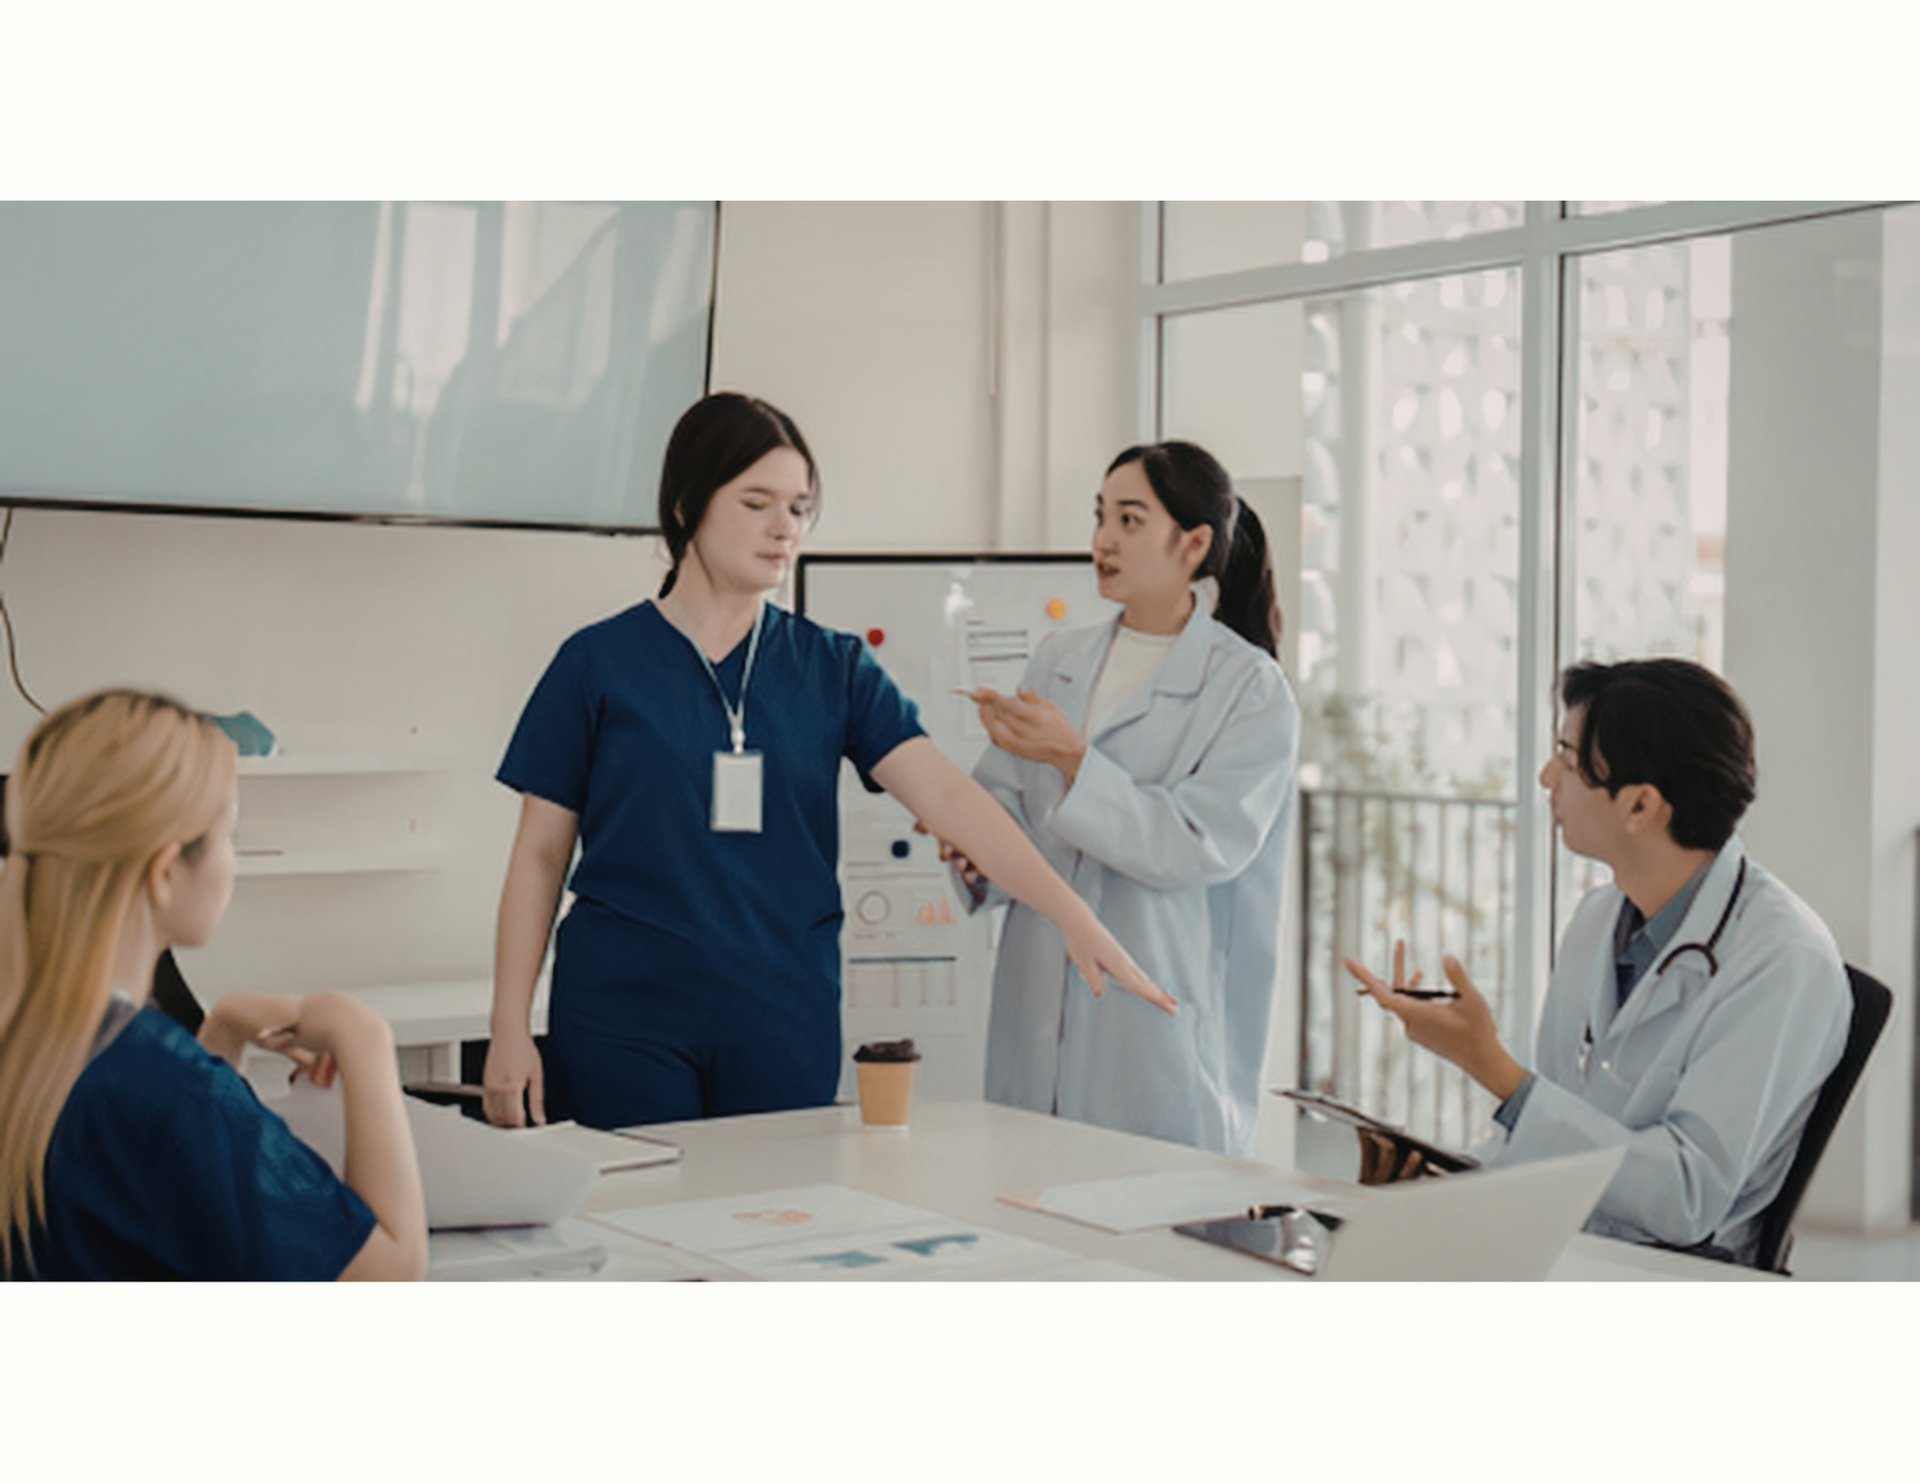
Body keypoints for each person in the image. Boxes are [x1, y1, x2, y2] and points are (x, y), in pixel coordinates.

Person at [484, 392, 1173, 1132]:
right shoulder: (597, 664)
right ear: (687, 504)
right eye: (757, 502)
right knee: (641, 1236)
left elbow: (947, 796)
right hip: (624, 1021)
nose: (786, 528)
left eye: (800, 507)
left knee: (768, 1238)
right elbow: (539, 854)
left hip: (780, 1019)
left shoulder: (833, 666)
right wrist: (509, 1025)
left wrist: (1072, 913)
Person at [1345, 658, 1850, 1264]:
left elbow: (1685, 1197)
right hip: (1568, 1243)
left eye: (1567, 757)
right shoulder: (1599, 919)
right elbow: (1559, 1129)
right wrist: (1438, 1180)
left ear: (1639, 806)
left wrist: (1498, 1073)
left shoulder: (1782, 960)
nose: (1545, 777)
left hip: (1674, 1277)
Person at [940, 441, 1298, 1155]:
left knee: (1141, 1239)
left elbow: (1194, 843)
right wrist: (974, 849)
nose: (1102, 540)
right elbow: (1009, 797)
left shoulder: (1249, 690)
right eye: (1101, 516)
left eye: (1130, 521)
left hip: (1156, 1030)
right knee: (1026, 1217)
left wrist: (1074, 758)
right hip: (1036, 1007)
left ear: (1194, 543)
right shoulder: (1058, 659)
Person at [0, 689, 427, 1281]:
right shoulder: (170, 1090)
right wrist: (364, 1035)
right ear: (166, 872)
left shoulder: (42, 1042)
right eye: (229, 834)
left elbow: (162, 1201)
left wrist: (223, 1030)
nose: (234, 861)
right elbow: (390, 1272)